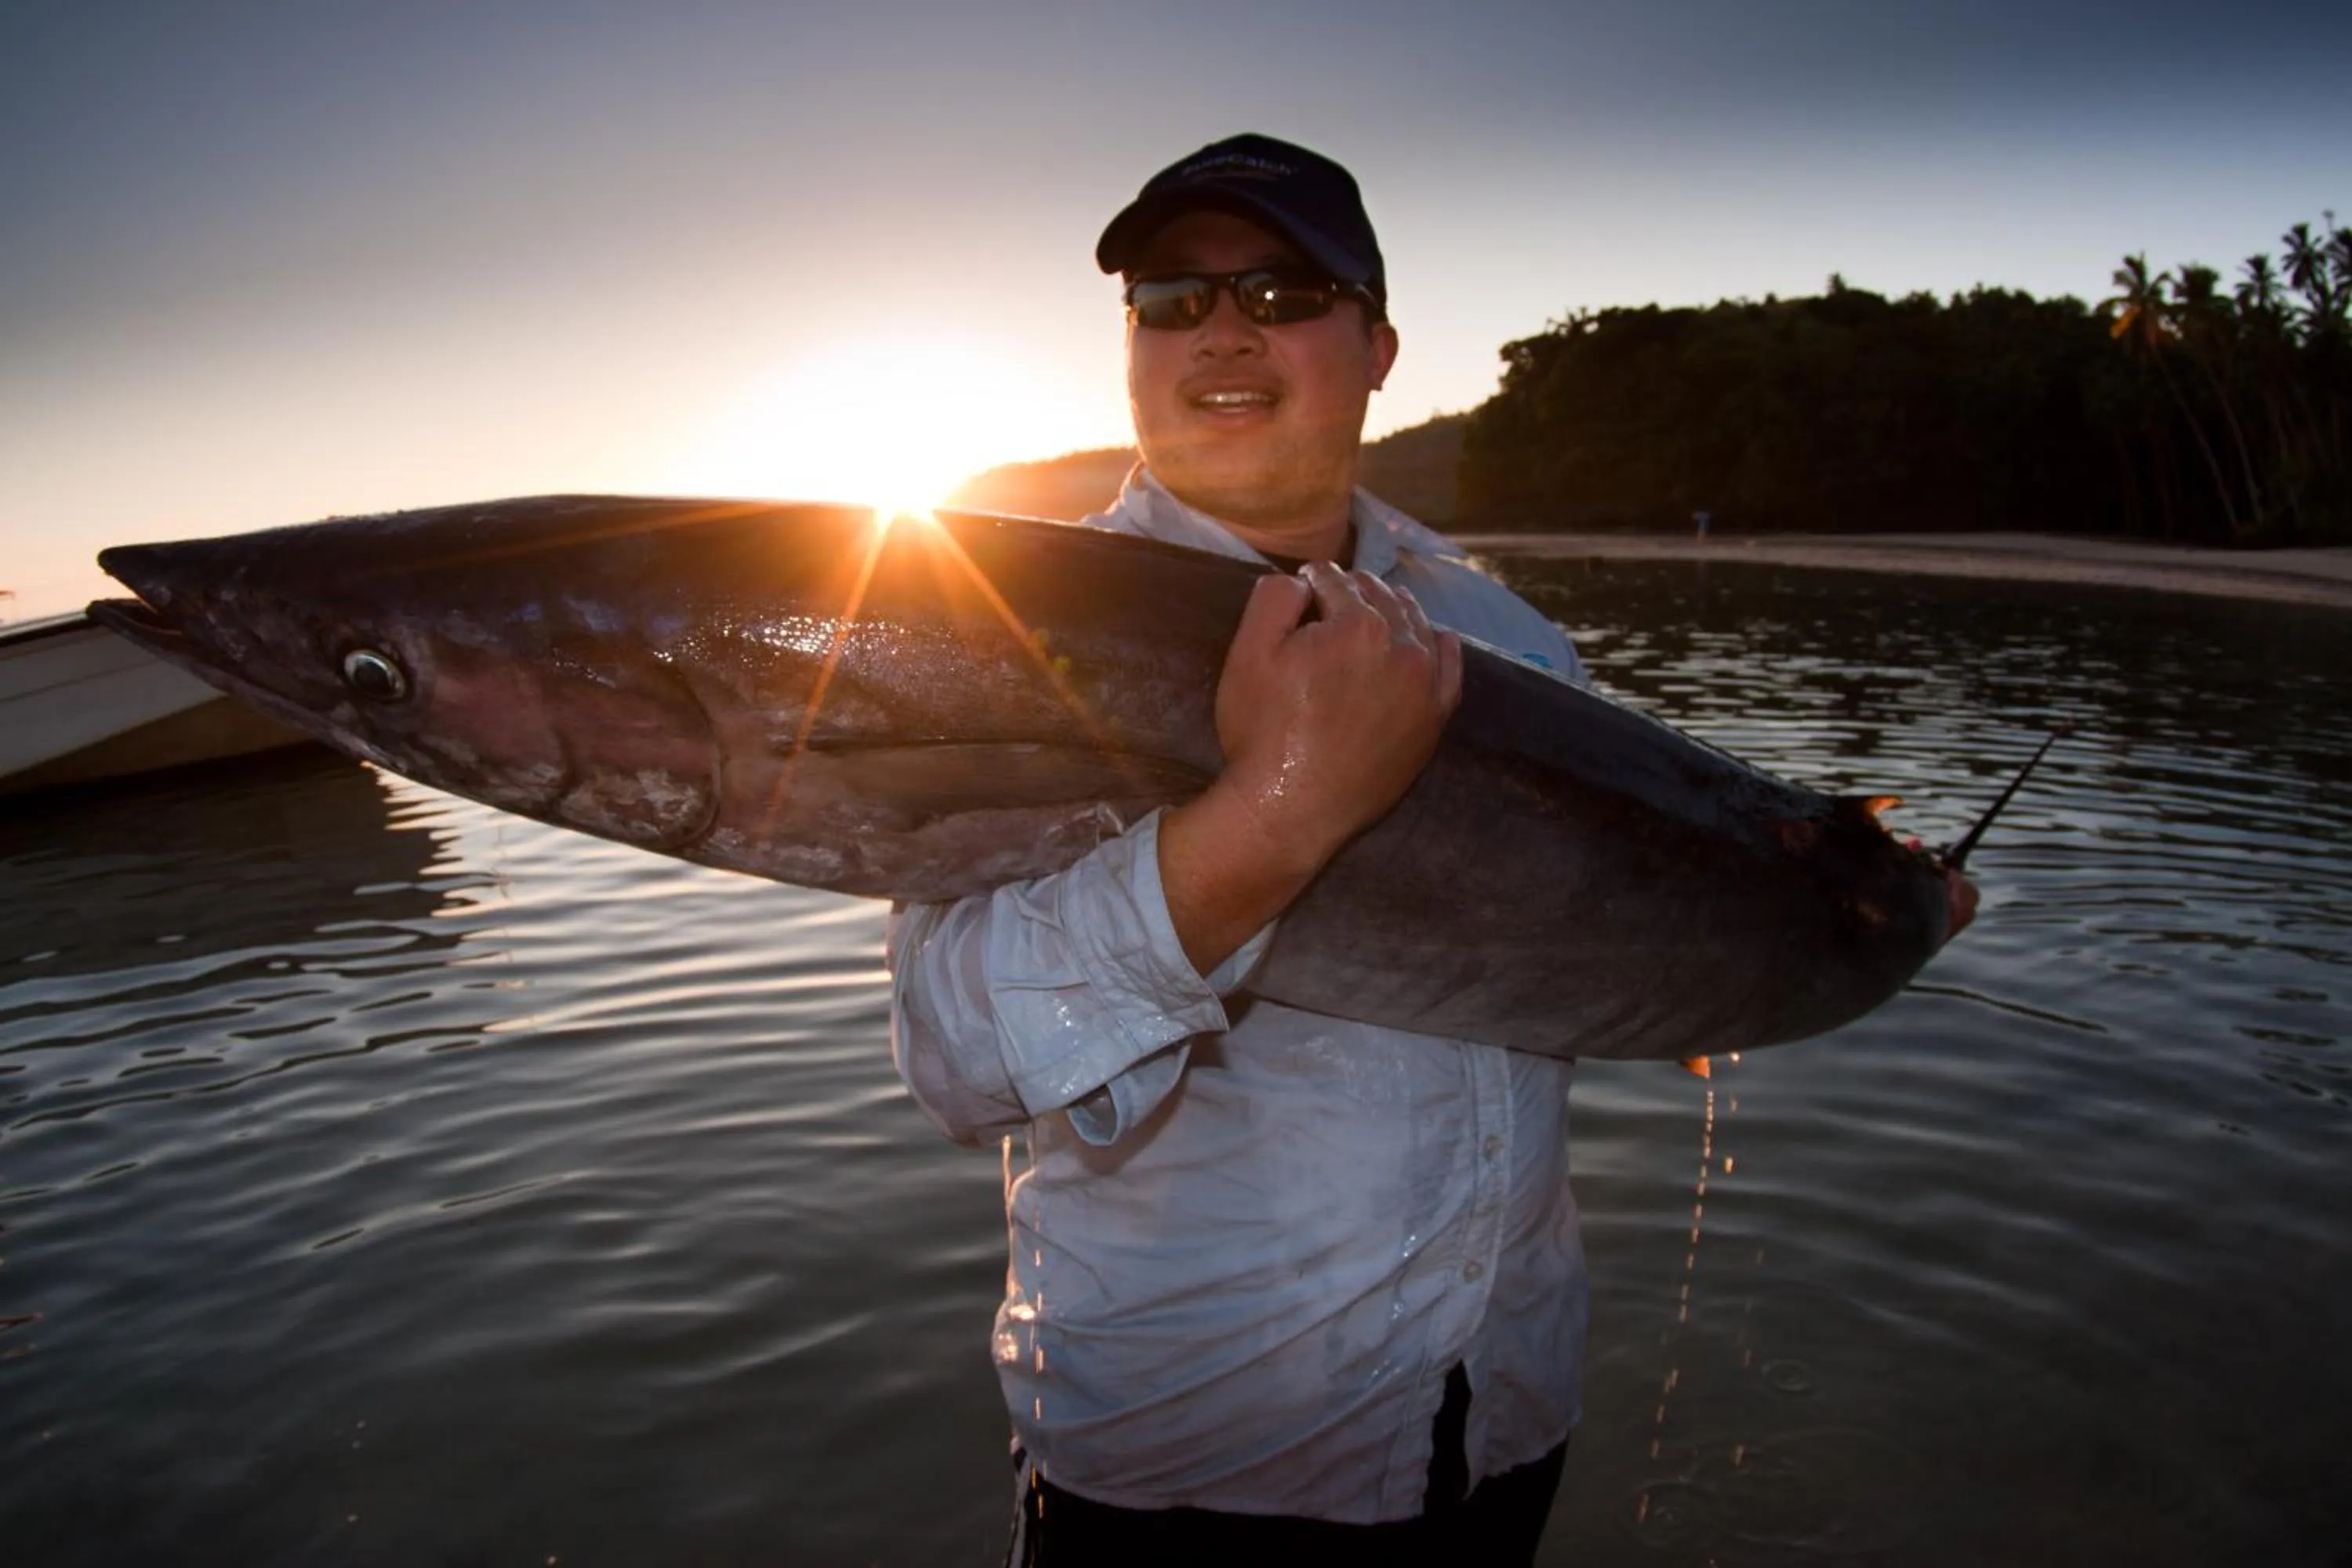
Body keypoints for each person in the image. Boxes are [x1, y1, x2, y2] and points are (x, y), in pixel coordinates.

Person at [887, 134, 1972, 1565]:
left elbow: (1637, 929)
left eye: (1283, 293)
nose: (1223, 327)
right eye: (1174, 296)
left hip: (1506, 1414)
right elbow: (956, 1054)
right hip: (1192, 1466)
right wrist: (1274, 819)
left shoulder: (1512, 641)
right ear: (1129, 340)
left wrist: (1839, 927)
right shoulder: (1002, 628)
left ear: (1380, 343)